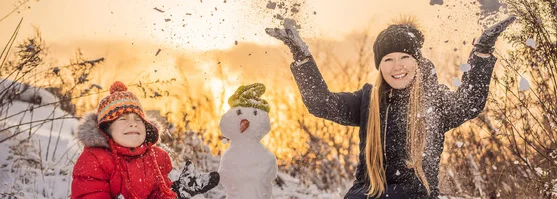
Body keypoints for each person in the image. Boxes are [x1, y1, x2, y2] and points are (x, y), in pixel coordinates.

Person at [266, 16, 516, 198]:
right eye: (389, 59)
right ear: (380, 66)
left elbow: (469, 102)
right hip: (366, 192)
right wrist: (301, 55)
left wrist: (482, 52)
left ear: (417, 61)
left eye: (405, 57)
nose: (397, 66)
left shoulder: (433, 101)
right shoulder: (368, 101)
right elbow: (322, 103)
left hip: (416, 195)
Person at [71, 81, 220, 199]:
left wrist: (177, 191)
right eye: (122, 119)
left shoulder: (155, 158)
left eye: (138, 119)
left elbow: (157, 194)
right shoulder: (94, 160)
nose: (133, 123)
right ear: (106, 129)